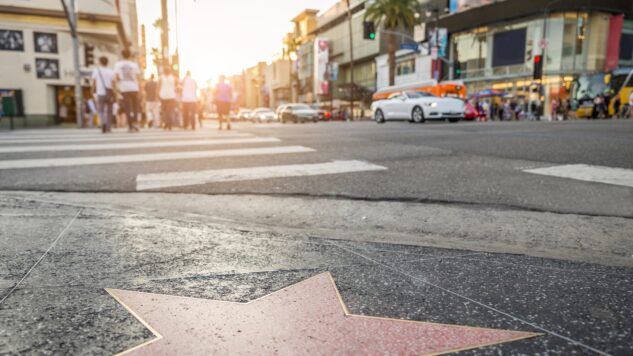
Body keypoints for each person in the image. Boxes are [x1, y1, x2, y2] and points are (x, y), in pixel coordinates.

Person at [114, 49, 141, 132]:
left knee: (128, 107)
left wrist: (120, 82)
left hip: (124, 88)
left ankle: (130, 126)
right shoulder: (134, 65)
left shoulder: (118, 64)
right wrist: (140, 88)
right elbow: (138, 77)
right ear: (130, 55)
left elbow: (117, 77)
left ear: (122, 55)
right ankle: (135, 123)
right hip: (134, 87)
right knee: (136, 106)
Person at [91, 56, 116, 133]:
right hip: (109, 93)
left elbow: (94, 83)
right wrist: (114, 93)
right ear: (107, 62)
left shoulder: (96, 71)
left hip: (100, 93)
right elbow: (113, 84)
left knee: (100, 110)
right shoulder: (111, 71)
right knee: (109, 111)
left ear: (100, 62)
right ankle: (108, 127)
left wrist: (92, 91)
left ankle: (103, 123)